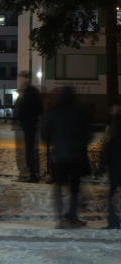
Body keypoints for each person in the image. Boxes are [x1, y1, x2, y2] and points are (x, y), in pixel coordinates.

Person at [41, 86, 90, 228]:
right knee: (74, 188)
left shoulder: (54, 111)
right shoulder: (80, 112)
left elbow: (45, 133)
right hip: (76, 156)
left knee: (58, 187)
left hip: (59, 156)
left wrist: (53, 141)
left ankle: (59, 219)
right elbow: (88, 134)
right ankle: (73, 216)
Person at [14, 71, 43, 182]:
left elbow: (36, 109)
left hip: (28, 126)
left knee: (29, 151)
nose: (18, 80)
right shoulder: (22, 92)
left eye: (20, 78)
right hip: (24, 126)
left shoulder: (31, 93)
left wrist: (26, 119)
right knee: (24, 151)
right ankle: (27, 173)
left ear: (26, 79)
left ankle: (31, 174)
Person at [99, 105, 121, 229]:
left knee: (111, 196)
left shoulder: (113, 128)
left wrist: (101, 166)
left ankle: (113, 221)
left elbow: (107, 149)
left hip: (115, 167)